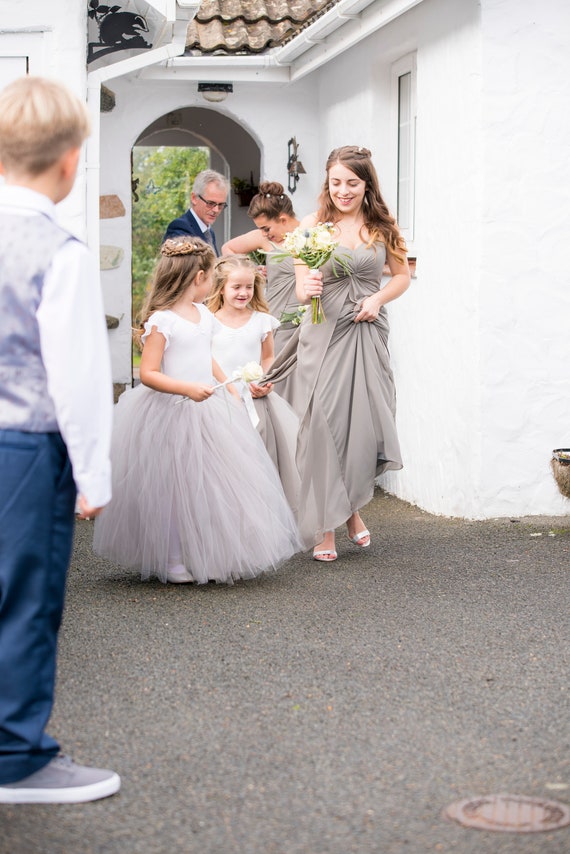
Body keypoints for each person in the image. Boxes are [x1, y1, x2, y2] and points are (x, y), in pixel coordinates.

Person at [0, 77, 119, 804]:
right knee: (25, 598)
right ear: (71, 161)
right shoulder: (60, 251)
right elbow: (77, 377)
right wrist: (94, 476)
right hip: (24, 448)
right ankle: (17, 757)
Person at [93, 237, 301, 584]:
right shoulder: (162, 321)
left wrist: (229, 387)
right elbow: (149, 373)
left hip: (209, 410)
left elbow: (207, 357)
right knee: (173, 488)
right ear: (198, 278)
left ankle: (206, 551)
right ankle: (173, 558)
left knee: (213, 485)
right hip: (170, 411)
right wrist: (187, 388)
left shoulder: (204, 314)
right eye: (210, 279)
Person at [268, 145, 410, 561]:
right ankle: (327, 527)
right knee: (321, 425)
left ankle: (349, 512)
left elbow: (401, 277)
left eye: (352, 182)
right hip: (323, 331)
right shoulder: (312, 226)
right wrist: (307, 287)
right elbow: (299, 286)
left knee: (359, 427)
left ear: (367, 184)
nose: (343, 191)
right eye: (336, 183)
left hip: (365, 331)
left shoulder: (382, 226)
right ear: (326, 184)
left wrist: (378, 299)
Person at [208, 255, 301, 514]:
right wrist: (228, 388)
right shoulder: (209, 321)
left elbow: (268, 356)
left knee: (260, 456)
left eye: (248, 287)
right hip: (221, 399)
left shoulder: (262, 320)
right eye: (236, 287)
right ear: (221, 287)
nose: (243, 292)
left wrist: (265, 380)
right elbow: (208, 359)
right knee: (225, 459)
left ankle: (258, 512)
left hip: (256, 397)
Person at [221, 181, 301, 355]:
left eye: (266, 228)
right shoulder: (264, 239)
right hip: (275, 316)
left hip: (305, 319)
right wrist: (251, 271)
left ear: (283, 218)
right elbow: (228, 249)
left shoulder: (310, 235)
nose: (264, 233)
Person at [162, 169, 229, 254]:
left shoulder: (209, 231)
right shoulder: (179, 228)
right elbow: (182, 265)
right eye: (210, 203)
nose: (216, 210)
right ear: (194, 198)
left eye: (221, 205)